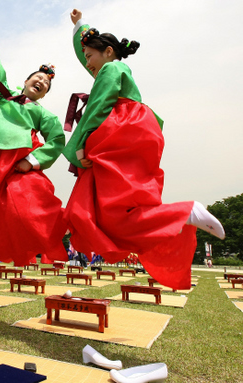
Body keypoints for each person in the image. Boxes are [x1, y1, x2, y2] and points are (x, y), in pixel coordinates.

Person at [63, 9, 225, 290]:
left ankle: (183, 212)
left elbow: (97, 107)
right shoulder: (115, 66)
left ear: (108, 52)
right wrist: (80, 25)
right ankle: (179, 215)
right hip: (136, 129)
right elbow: (92, 56)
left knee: (102, 212)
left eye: (90, 56)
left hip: (119, 130)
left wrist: (79, 148)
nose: (87, 62)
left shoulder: (111, 69)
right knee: (111, 210)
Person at [0, 22, 67, 267]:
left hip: (19, 162)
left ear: (43, 94)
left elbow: (57, 139)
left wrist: (32, 161)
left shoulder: (43, 114)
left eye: (46, 84)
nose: (41, 81)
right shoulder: (4, 96)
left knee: (27, 201)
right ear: (26, 80)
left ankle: (65, 225)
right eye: (38, 77)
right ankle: (2, 246)